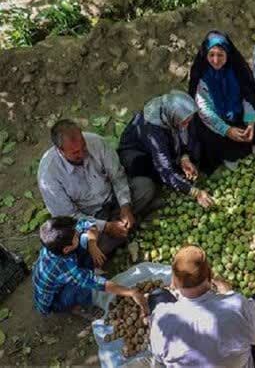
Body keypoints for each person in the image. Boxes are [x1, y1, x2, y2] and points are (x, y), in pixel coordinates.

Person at [38, 119, 155, 255]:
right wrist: (105, 227)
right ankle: (130, 223)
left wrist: (125, 206)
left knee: (146, 187)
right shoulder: (49, 174)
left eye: (83, 147)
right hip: (90, 217)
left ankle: (125, 223)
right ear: (60, 151)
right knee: (93, 247)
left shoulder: (97, 142)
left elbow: (117, 176)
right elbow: (69, 218)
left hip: (113, 198)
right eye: (75, 153)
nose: (82, 154)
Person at [149, 245, 255, 368]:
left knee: (157, 295)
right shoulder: (237, 305)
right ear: (210, 276)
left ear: (174, 283)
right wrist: (228, 293)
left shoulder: (162, 319)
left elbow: (159, 357)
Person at [33, 217, 149, 316]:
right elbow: (95, 282)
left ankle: (88, 269)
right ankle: (75, 307)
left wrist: (92, 245)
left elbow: (87, 223)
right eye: (75, 237)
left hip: (67, 271)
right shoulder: (63, 265)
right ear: (66, 249)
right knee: (84, 288)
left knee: (85, 238)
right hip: (57, 300)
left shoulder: (60, 238)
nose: (77, 233)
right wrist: (131, 292)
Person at [118, 90, 214, 209]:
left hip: (159, 145)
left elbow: (185, 136)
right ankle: (155, 194)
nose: (187, 125)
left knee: (193, 147)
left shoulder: (173, 112)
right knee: (157, 171)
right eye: (184, 122)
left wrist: (185, 158)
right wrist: (196, 193)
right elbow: (164, 168)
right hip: (137, 154)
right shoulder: (153, 131)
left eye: (188, 121)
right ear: (173, 116)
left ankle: (177, 179)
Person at [188, 31, 255, 172]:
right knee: (207, 138)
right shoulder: (202, 76)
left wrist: (250, 121)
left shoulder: (237, 71)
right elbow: (204, 110)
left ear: (227, 54)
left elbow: (248, 98)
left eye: (220, 55)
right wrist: (227, 130)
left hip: (237, 115)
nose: (216, 60)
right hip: (214, 122)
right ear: (206, 54)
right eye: (211, 55)